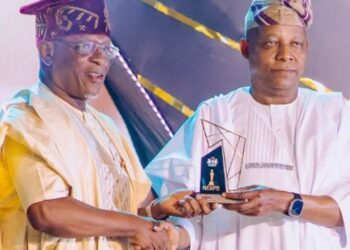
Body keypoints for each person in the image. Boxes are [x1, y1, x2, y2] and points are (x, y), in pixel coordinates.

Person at [0, 0, 208, 249]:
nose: (100, 59)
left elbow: (128, 207)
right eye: (85, 47)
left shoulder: (105, 127)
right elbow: (48, 211)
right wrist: (135, 226)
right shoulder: (26, 119)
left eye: (107, 49)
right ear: (47, 51)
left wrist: (157, 208)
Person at [146, 0, 350, 249]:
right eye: (271, 43)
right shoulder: (215, 115)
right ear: (245, 48)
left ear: (306, 49)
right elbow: (189, 220)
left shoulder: (336, 115)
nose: (286, 54)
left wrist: (284, 202)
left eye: (296, 43)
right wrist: (174, 236)